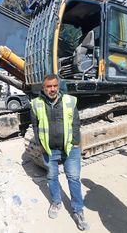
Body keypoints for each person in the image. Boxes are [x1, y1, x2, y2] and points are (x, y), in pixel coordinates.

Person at [30, 74, 89, 231]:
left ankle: (78, 210)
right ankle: (56, 202)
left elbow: (76, 122)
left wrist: (76, 142)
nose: (52, 89)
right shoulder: (36, 104)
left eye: (55, 85)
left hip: (70, 148)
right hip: (49, 149)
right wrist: (40, 144)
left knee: (74, 178)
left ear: (58, 86)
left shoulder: (69, 101)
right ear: (43, 88)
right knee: (51, 177)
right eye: (49, 86)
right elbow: (35, 126)